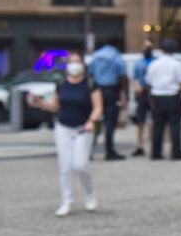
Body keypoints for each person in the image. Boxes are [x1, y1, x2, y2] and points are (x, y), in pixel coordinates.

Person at [34, 51, 102, 217]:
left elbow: (98, 106)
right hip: (63, 127)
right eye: (71, 62)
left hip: (83, 128)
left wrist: (91, 121)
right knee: (65, 166)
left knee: (80, 164)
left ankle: (90, 193)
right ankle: (67, 201)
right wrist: (41, 102)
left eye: (77, 62)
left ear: (83, 65)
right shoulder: (61, 84)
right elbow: (56, 106)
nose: (74, 65)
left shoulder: (91, 84)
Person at [144, 37, 181, 160]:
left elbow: (148, 84)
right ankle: (176, 153)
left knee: (157, 126)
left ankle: (156, 153)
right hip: (172, 97)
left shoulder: (153, 64)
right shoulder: (176, 65)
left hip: (157, 97)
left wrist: (151, 100)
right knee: (175, 126)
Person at [87, 38, 128, 160]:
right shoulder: (117, 56)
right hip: (111, 91)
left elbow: (90, 73)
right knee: (110, 122)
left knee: (94, 119)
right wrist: (125, 95)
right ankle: (109, 151)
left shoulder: (96, 55)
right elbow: (123, 77)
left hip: (97, 90)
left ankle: (88, 150)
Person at [130, 39, 155, 157]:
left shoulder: (156, 62)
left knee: (155, 120)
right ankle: (139, 146)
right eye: (145, 47)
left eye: (149, 47)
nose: (147, 49)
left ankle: (154, 144)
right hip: (142, 93)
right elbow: (134, 78)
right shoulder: (138, 63)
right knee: (140, 121)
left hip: (154, 93)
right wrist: (137, 87)